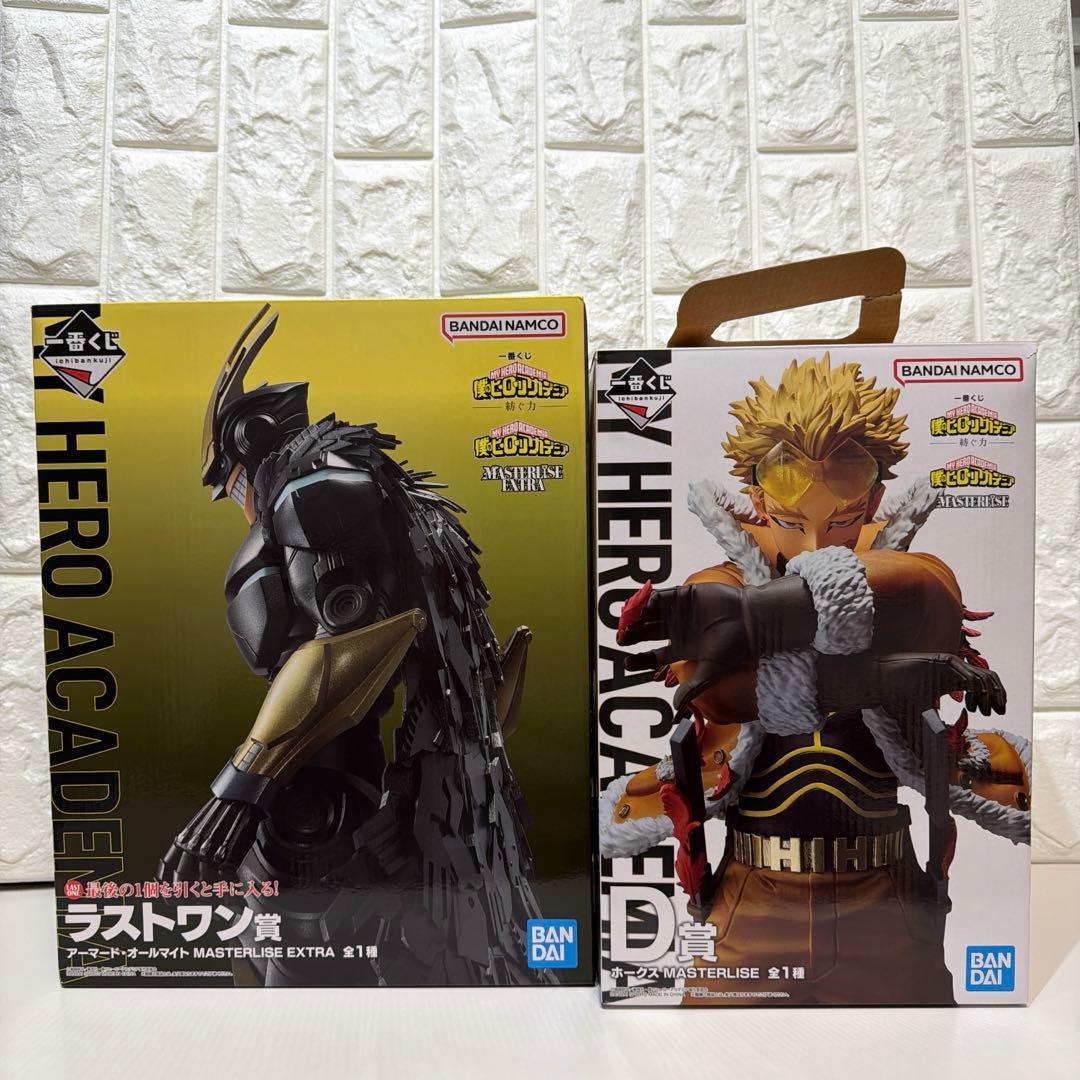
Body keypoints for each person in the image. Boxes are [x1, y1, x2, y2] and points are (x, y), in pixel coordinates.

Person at [603, 354, 1030, 1005]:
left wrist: (772, 615)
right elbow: (724, 692)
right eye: (789, 493)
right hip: (748, 907)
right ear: (756, 495)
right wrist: (881, 670)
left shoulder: (907, 580)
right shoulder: (715, 593)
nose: (814, 529)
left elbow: (925, 594)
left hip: (887, 907)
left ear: (875, 498)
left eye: (842, 498)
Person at [160, 304, 548, 986]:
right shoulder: (370, 495)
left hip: (335, 802)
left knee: (308, 955)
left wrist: (239, 790)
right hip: (375, 789)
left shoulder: (319, 498)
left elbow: (354, 642)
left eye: (232, 482)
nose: (238, 502)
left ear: (249, 442)